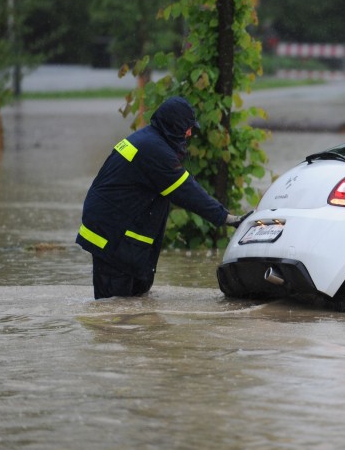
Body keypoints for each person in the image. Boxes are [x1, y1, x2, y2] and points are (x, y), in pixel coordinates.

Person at [76, 96, 250, 299]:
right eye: (187, 127)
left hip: (112, 228)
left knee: (129, 306)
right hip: (113, 236)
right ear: (174, 125)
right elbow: (188, 192)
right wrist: (228, 218)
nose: (190, 133)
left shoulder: (147, 140)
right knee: (113, 315)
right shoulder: (154, 151)